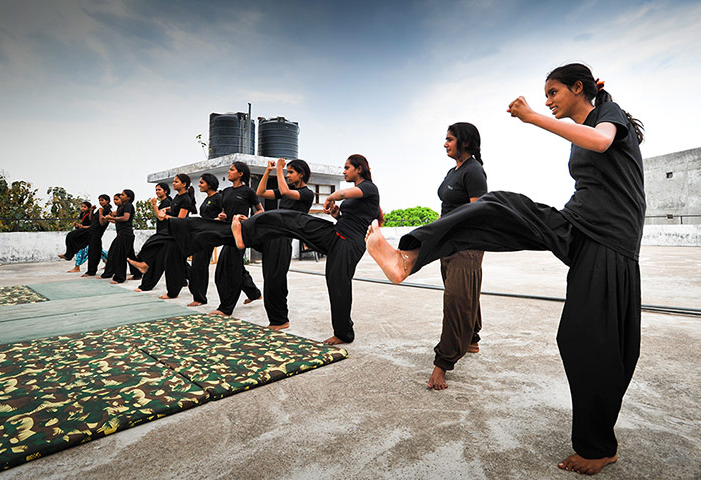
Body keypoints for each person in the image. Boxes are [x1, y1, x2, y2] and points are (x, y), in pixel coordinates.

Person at [366, 63, 645, 475]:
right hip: (578, 226)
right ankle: (408, 257)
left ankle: (599, 445)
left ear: (578, 88)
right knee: (497, 204)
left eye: (553, 92)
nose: (547, 101)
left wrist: (533, 117)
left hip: (608, 238)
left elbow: (603, 143)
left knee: (586, 340)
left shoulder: (609, 113)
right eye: (544, 96)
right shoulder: (592, 116)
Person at [232, 154, 381, 345]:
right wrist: (337, 215)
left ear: (358, 169)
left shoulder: (368, 187)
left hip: (348, 243)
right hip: (337, 234)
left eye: (346, 168)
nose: (343, 172)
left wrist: (331, 198)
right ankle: (246, 234)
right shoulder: (357, 192)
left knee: (338, 287)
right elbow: (351, 216)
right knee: (291, 219)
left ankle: (344, 334)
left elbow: (342, 196)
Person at [428, 122, 487, 390]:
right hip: (448, 242)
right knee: (462, 292)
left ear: (464, 142)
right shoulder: (454, 171)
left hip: (467, 243)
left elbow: (479, 213)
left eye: (450, 139)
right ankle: (472, 337)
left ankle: (444, 362)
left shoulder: (474, 171)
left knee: (455, 299)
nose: (445, 143)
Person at [255, 158, 314, 330]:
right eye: (287, 172)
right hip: (272, 237)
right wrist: (268, 171)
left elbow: (285, 192)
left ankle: (281, 320)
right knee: (269, 279)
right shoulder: (286, 191)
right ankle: (275, 319)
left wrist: (280, 169)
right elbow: (261, 191)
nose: (288, 175)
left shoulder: (306, 193)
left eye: (291, 172)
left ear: (301, 174)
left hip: (284, 239)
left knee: (276, 279)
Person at [129, 174, 196, 297]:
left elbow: (180, 220)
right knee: (171, 261)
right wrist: (166, 209)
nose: (174, 183)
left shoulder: (186, 199)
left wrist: (163, 214)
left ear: (184, 184)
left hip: (175, 234)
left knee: (158, 248)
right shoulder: (177, 197)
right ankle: (146, 269)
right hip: (170, 233)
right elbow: (173, 208)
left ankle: (146, 269)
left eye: (176, 181)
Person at [211, 161, 263, 315]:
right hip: (227, 233)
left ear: (240, 174)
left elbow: (260, 211)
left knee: (228, 271)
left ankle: (226, 308)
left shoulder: (248, 191)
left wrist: (248, 220)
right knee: (235, 268)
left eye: (232, 169)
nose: (228, 171)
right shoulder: (226, 191)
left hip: (240, 234)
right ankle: (254, 293)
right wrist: (222, 216)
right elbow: (225, 211)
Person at [186, 173, 222, 307]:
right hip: (201, 235)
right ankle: (253, 292)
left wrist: (218, 220)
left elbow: (226, 214)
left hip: (209, 236)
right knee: (197, 265)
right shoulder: (207, 199)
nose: (199, 185)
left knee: (200, 266)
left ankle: (200, 298)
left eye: (202, 183)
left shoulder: (219, 198)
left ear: (210, 183)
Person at [137, 183, 173, 289]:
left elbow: (161, 217)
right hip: (162, 233)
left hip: (165, 235)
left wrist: (154, 205)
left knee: (156, 260)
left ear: (165, 191)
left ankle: (146, 284)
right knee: (173, 260)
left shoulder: (167, 202)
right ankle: (184, 279)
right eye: (156, 190)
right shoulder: (164, 202)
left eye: (159, 190)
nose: (157, 192)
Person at [102, 190, 141, 284]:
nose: (121, 196)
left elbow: (125, 218)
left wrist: (112, 218)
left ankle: (120, 277)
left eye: (123, 195)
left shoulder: (128, 205)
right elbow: (119, 221)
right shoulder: (123, 206)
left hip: (125, 234)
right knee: (130, 255)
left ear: (128, 197)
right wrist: (109, 219)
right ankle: (138, 274)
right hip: (124, 233)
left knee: (119, 255)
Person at [82, 194, 112, 277]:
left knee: (94, 253)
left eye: (102, 200)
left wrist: (101, 212)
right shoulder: (100, 209)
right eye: (99, 200)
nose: (100, 202)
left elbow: (102, 223)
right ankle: (91, 270)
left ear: (107, 201)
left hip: (97, 233)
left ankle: (91, 271)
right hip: (92, 231)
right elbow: (91, 219)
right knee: (93, 252)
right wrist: (92, 210)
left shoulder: (107, 210)